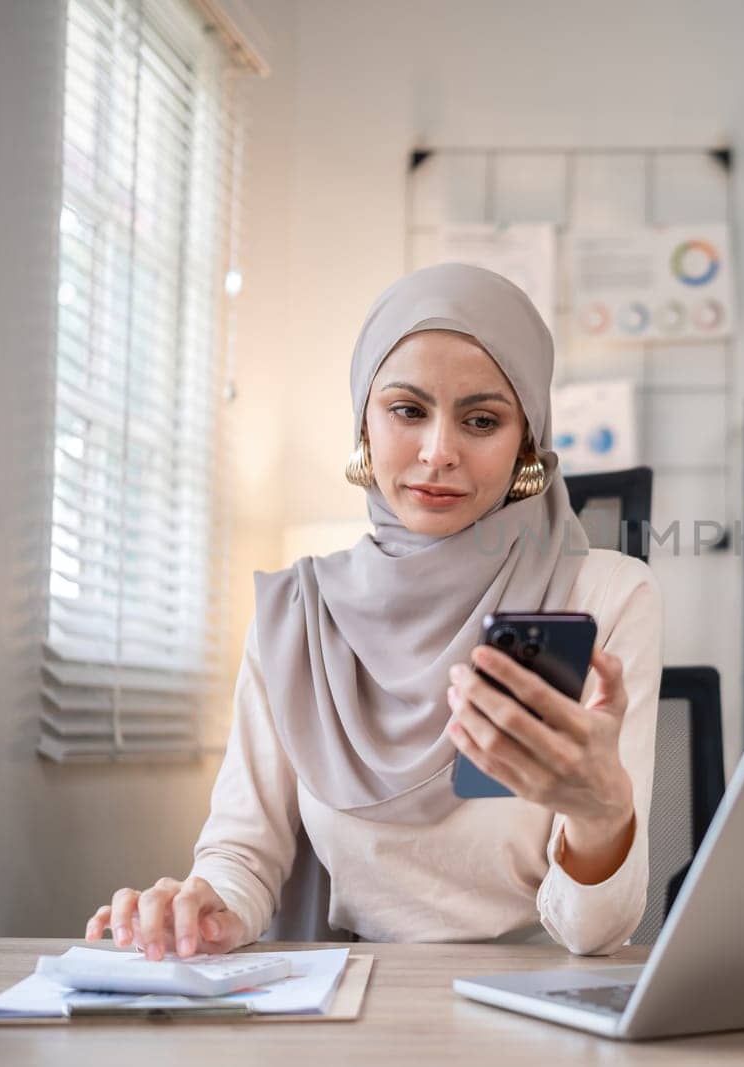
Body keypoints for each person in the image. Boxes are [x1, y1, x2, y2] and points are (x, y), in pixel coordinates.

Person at [83, 264, 662, 957]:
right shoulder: (299, 613)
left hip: (538, 998)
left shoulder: (603, 597)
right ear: (364, 419)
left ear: (526, 444)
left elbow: (598, 932)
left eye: (481, 420)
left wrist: (601, 813)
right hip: (352, 998)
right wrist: (210, 905)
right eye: (408, 410)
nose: (439, 451)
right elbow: (243, 852)